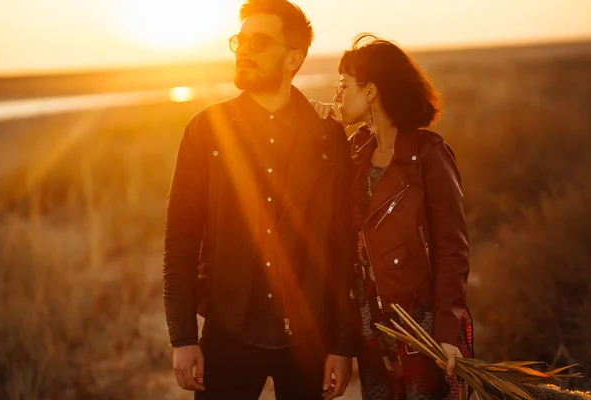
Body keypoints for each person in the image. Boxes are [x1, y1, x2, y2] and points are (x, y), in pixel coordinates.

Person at [162, 1, 361, 399]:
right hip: (227, 335)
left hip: (309, 339)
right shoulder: (206, 131)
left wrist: (341, 344)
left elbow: (342, 248)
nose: (243, 50)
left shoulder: (327, 137)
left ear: (293, 58)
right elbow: (180, 240)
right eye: (240, 40)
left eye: (259, 41)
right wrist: (183, 337)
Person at [310, 34, 474, 400]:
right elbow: (330, 218)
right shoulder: (356, 150)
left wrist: (447, 333)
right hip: (372, 323)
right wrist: (325, 135)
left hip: (422, 323)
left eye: (344, 85)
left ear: (370, 92)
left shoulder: (429, 154)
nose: (337, 95)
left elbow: (453, 249)